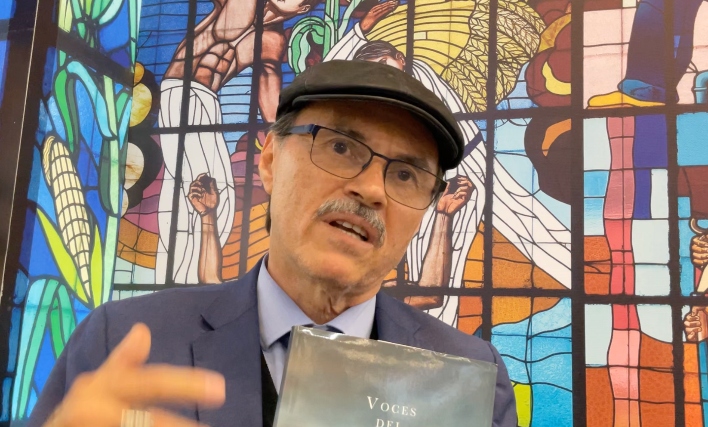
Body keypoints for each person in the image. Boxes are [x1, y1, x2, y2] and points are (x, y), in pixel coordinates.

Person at [27, 60, 517, 427]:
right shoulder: (124, 340)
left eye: (406, 174)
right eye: (341, 147)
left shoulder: (469, 378)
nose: (371, 189)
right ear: (269, 162)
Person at [325, 4, 572, 324]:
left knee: (520, 220)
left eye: (386, 64)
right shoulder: (400, 86)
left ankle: (580, 274)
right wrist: (360, 31)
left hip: (460, 165)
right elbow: (329, 75)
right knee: (433, 253)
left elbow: (333, 71)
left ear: (400, 58)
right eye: (377, 71)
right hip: (433, 172)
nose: (386, 74)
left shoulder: (419, 77)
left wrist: (360, 34)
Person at [157, 0, 320, 284]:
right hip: (179, 94)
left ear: (302, 9)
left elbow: (267, 79)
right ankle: (184, 279)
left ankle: (193, 276)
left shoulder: (272, 40)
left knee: (213, 193)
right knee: (199, 187)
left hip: (205, 100)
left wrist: (281, 134)